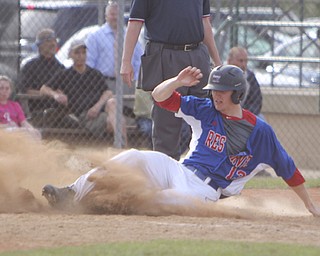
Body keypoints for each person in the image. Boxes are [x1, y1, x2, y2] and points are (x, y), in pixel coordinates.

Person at [41, 65, 320, 217]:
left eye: (222, 91)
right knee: (135, 156)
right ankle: (70, 193)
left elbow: (288, 168)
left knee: (160, 201)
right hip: (178, 168)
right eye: (213, 90)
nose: (215, 95)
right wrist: (176, 80)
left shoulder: (260, 131)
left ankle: (101, 205)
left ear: (237, 94)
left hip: (205, 191)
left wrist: (308, 204)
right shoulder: (206, 109)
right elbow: (160, 97)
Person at [120, 0, 222, 160]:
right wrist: (126, 62)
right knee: (166, 121)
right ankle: (165, 174)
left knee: (205, 115)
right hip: (165, 54)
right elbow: (134, 23)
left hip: (197, 54)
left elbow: (205, 23)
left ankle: (204, 168)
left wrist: (217, 62)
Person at [40, 39, 127, 144]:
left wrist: (97, 107)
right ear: (70, 55)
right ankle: (123, 145)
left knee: (112, 103)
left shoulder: (94, 73)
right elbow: (43, 89)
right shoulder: (64, 74)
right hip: (84, 115)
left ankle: (121, 144)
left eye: (83, 53)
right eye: (77, 53)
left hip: (100, 111)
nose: (81, 56)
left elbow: (108, 92)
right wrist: (56, 95)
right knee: (115, 121)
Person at [85, 1, 143, 95]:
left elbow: (139, 60)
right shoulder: (95, 36)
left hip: (127, 82)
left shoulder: (130, 35)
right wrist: (93, 82)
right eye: (112, 14)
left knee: (128, 108)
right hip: (103, 83)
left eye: (117, 14)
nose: (115, 17)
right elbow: (90, 62)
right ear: (106, 16)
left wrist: (135, 79)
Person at [17, 28, 65, 124]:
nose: (53, 44)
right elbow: (25, 90)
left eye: (54, 40)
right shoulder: (30, 66)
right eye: (48, 41)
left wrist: (58, 94)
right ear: (40, 45)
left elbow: (63, 90)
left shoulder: (60, 67)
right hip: (36, 109)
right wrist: (49, 94)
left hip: (57, 108)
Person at [227, 46, 263, 117]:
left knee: (261, 120)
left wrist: (245, 115)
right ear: (229, 61)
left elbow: (256, 101)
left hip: (244, 114)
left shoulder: (250, 77)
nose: (243, 65)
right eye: (240, 61)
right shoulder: (221, 75)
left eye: (246, 61)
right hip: (225, 114)